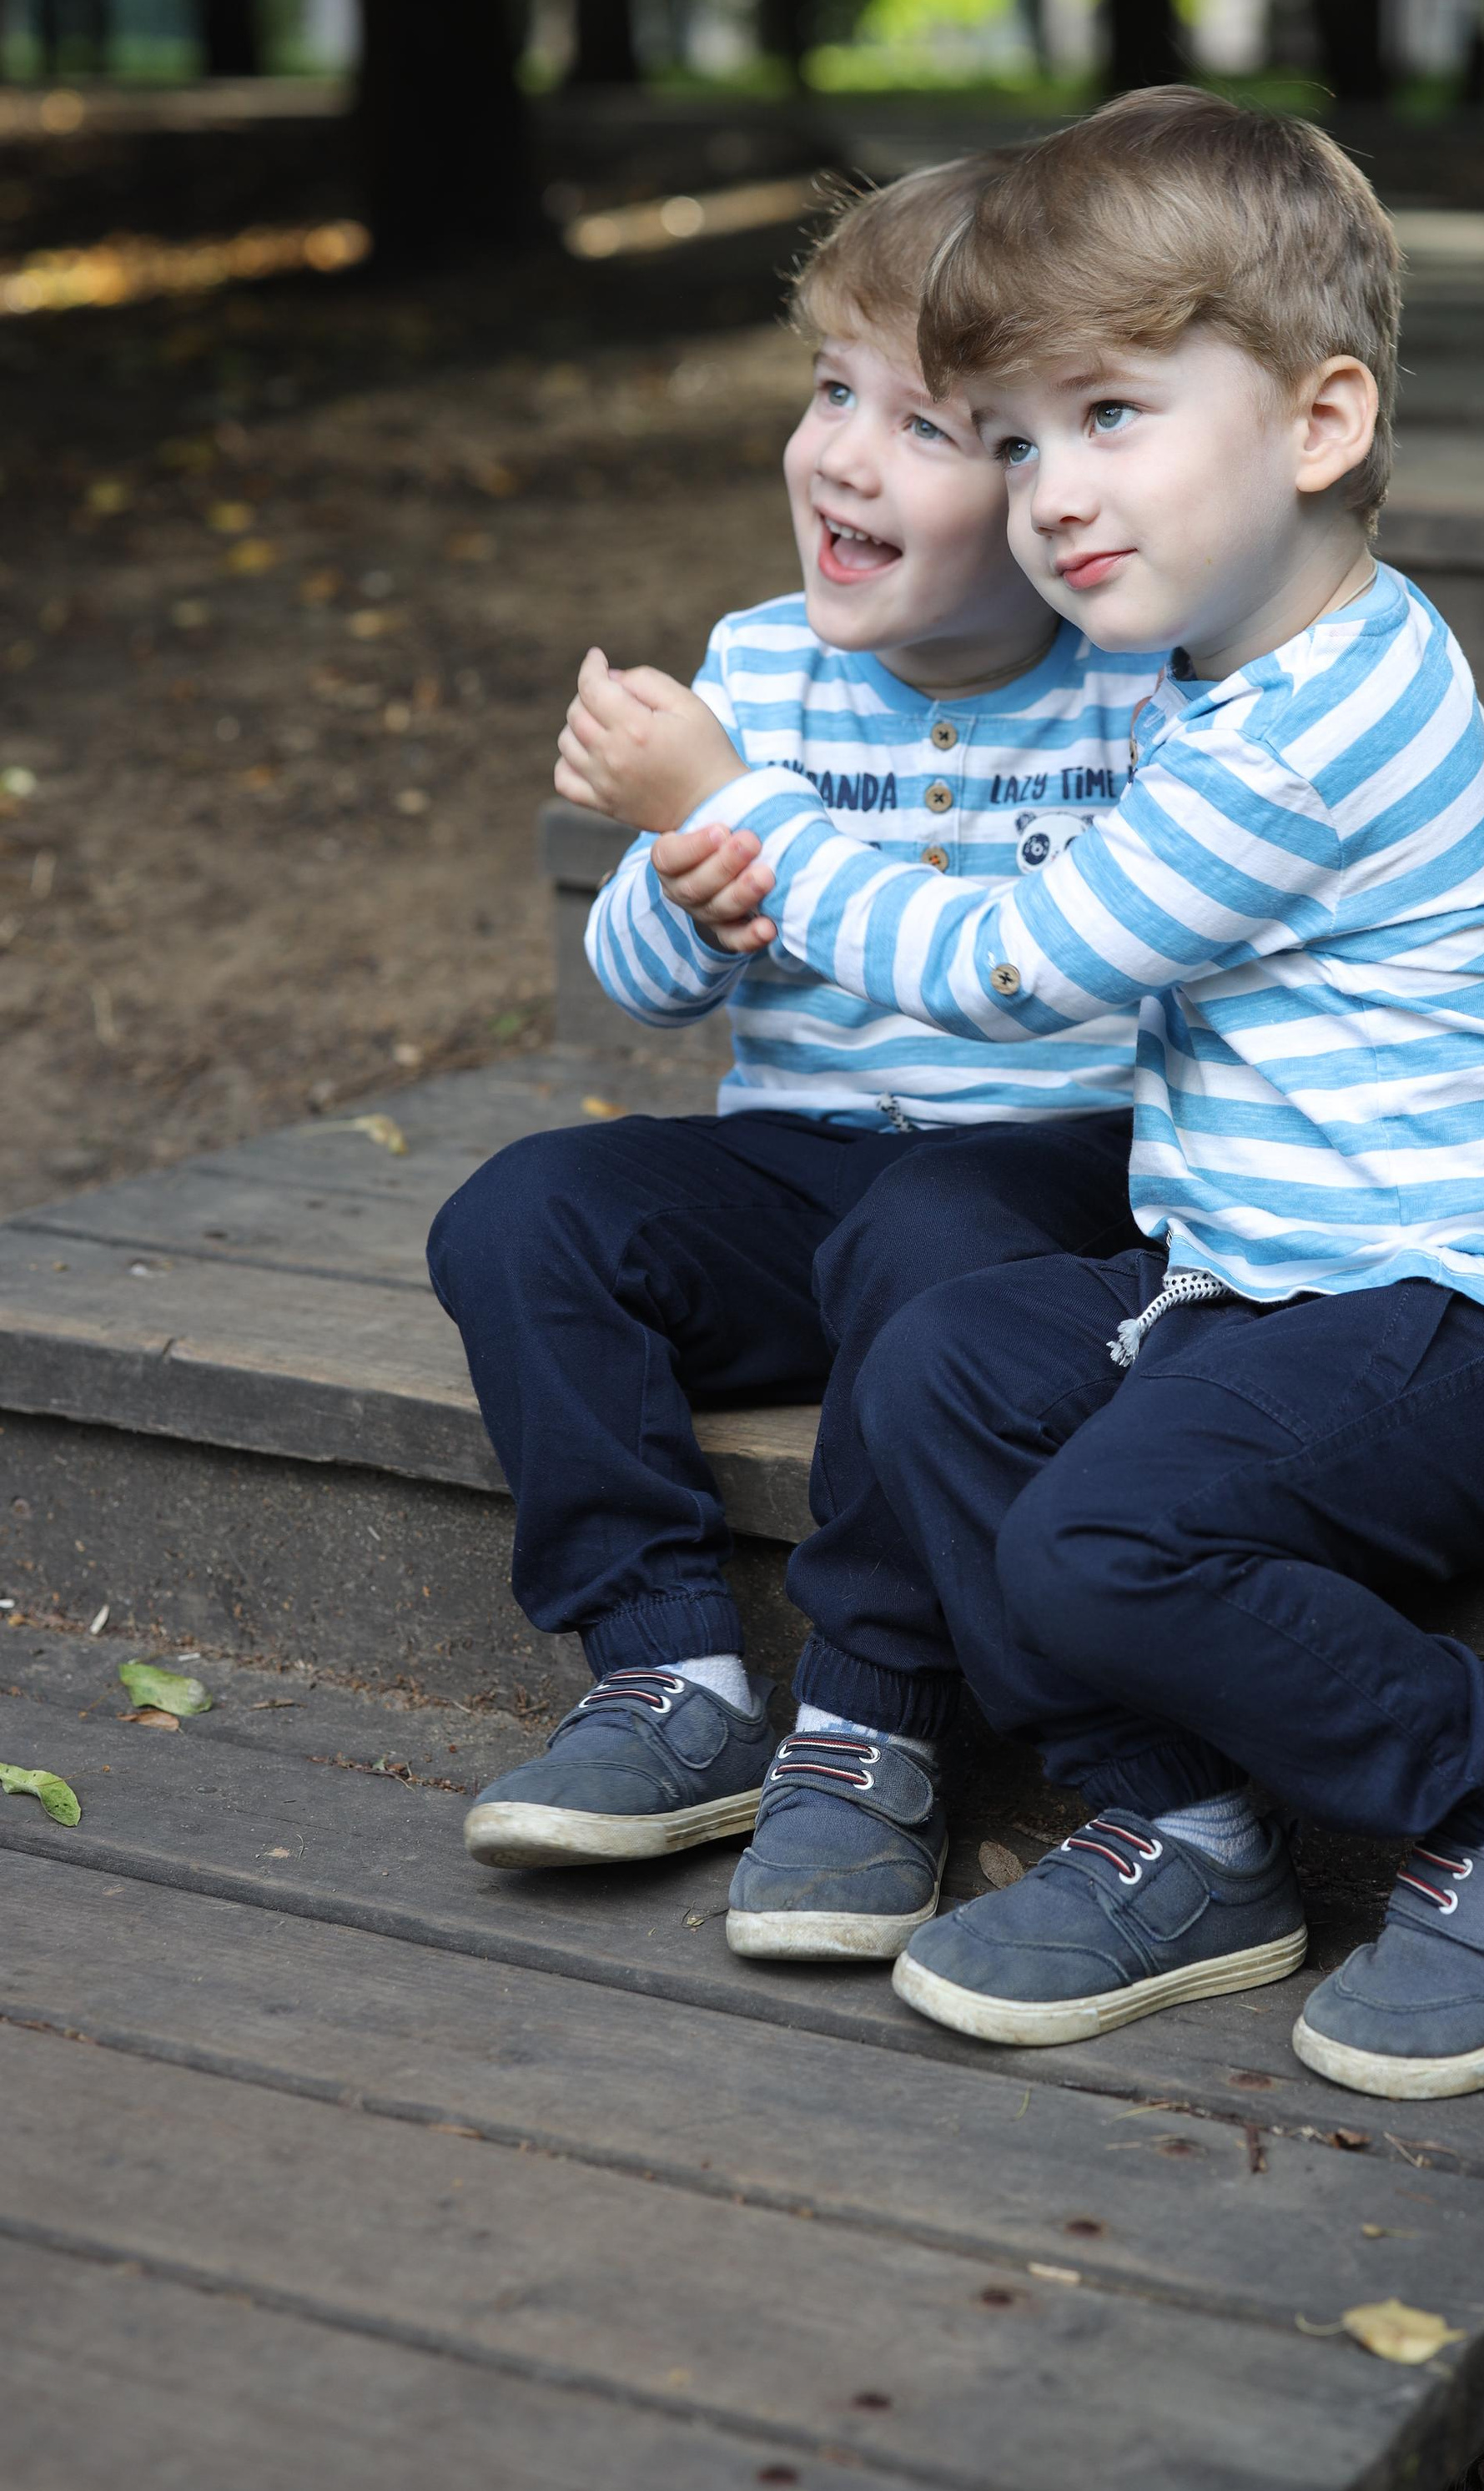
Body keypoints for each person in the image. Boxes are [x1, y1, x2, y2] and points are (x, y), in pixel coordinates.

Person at [558, 89, 1484, 2101]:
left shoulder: (1311, 731)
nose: (1046, 492)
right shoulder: (1217, 669)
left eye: (1109, 417)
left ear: (1318, 425)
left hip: (1474, 1328)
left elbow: (1011, 972)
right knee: (936, 1369)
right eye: (1010, 440)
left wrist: (733, 811)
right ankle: (1184, 1834)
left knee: (1107, 1541)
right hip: (1265, 1287)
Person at [430, 155, 1152, 1887]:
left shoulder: (1138, 678)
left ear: (1052, 485)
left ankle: (874, 1722)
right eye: (830, 389)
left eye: (923, 427)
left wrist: (755, 825)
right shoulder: (761, 666)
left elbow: (1119, 963)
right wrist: (684, 887)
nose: (839, 450)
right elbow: (636, 980)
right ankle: (668, 1673)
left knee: (930, 1223)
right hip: (806, 1165)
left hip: (1049, 1186)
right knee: (521, 1216)